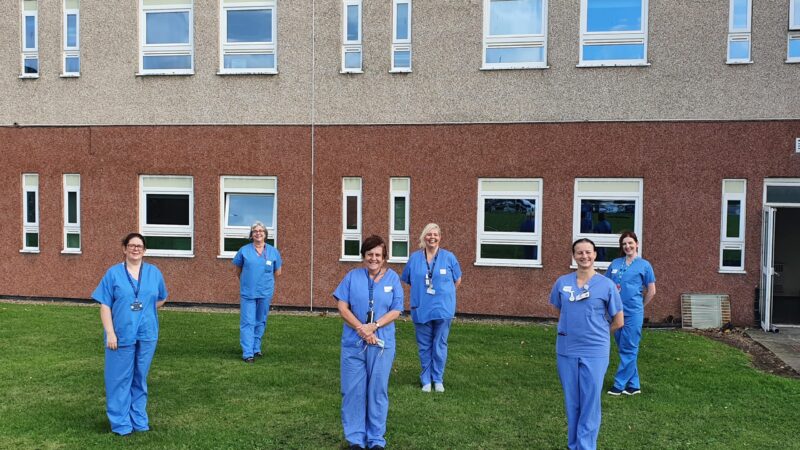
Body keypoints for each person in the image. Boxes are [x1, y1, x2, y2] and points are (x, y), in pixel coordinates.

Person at [92, 233, 168, 436]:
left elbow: (161, 298)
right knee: (119, 379)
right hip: (121, 334)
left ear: (144, 250)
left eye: (140, 246)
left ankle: (139, 421)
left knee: (139, 377)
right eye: (132, 245)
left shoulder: (154, 272)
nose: (136, 249)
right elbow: (105, 304)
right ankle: (121, 424)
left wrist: (144, 311)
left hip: (147, 333)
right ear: (124, 249)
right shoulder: (113, 273)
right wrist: (110, 333)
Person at [550, 238, 623, 450]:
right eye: (579, 253)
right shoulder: (562, 283)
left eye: (588, 252)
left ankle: (586, 446)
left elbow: (619, 321)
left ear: (595, 254)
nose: (584, 256)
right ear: (574, 256)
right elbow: (560, 309)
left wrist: (599, 334)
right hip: (567, 349)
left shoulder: (606, 285)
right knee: (572, 403)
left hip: (595, 351)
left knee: (590, 403)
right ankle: (574, 445)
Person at [333, 235, 403, 450]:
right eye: (369, 254)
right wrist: (361, 329)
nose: (374, 258)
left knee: (377, 390)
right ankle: (355, 438)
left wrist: (374, 326)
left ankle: (375, 439)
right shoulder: (352, 276)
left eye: (378, 255)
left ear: (384, 258)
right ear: (363, 256)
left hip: (381, 344)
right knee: (353, 390)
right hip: (354, 342)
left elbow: (397, 310)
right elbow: (342, 307)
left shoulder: (393, 279)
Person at [400, 223, 462, 393]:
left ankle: (438, 379)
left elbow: (457, 280)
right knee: (424, 345)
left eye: (435, 234)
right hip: (421, 307)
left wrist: (445, 294)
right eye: (428, 234)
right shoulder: (414, 258)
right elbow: (408, 279)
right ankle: (426, 379)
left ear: (440, 237)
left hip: (443, 309)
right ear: (423, 237)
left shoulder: (449, 257)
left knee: (440, 344)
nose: (432, 237)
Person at [605, 231, 656, 396]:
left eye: (630, 243)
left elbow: (651, 291)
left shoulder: (644, 265)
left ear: (637, 244)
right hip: (616, 312)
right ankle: (634, 385)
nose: (627, 246)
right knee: (623, 347)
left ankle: (619, 385)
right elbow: (607, 285)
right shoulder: (615, 263)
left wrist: (640, 306)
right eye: (624, 244)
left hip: (633, 312)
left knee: (630, 347)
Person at [233, 221, 282, 363]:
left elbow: (278, 272)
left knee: (261, 321)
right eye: (255, 231)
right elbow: (238, 271)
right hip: (248, 293)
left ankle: (256, 348)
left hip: (265, 292)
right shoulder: (244, 250)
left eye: (261, 230)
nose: (258, 233)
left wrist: (265, 282)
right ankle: (248, 353)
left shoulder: (273, 251)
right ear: (251, 235)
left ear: (265, 234)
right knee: (248, 322)